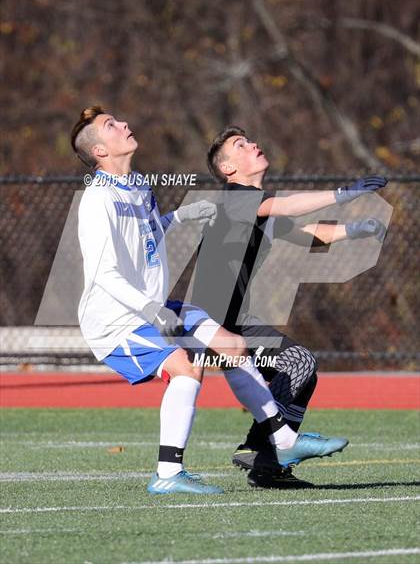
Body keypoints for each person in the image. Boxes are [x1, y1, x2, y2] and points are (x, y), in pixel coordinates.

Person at [71, 108, 349, 494]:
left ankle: (283, 440)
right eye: (112, 126)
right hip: (116, 319)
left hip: (152, 306)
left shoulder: (136, 184)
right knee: (187, 367)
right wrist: (151, 309)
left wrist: (177, 218)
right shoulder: (97, 199)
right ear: (100, 151)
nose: (124, 125)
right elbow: (104, 275)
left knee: (232, 345)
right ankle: (168, 475)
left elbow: (144, 235)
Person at [192, 126, 387, 488]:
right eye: (241, 145)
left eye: (250, 139)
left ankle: (267, 467)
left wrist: (357, 229)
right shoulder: (235, 199)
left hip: (234, 320)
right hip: (213, 322)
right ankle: (257, 448)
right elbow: (286, 205)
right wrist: (344, 194)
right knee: (299, 362)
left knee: (303, 373)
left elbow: (306, 232)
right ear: (228, 170)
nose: (252, 144)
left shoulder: (257, 209)